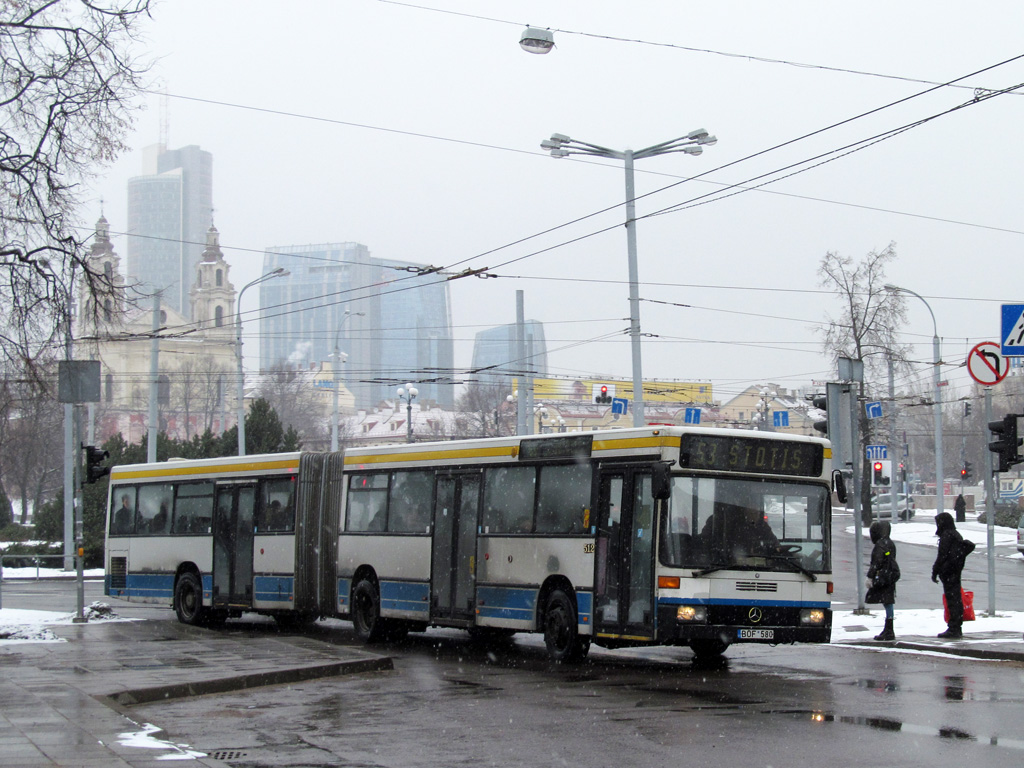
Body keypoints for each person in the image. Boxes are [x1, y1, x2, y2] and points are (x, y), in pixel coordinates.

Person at [932, 511, 966, 639]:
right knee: (955, 599)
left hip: (949, 572)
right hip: (955, 571)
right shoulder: (956, 535)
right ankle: (956, 626)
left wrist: (935, 571)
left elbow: (942, 556)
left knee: (952, 600)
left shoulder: (946, 536)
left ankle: (954, 627)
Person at [865, 520, 900, 641]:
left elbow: (876, 563)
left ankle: (889, 630)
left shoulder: (880, 545)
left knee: (887, 601)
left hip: (883, 577)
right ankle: (889, 628)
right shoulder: (890, 543)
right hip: (889, 577)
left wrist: (870, 576)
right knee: (888, 601)